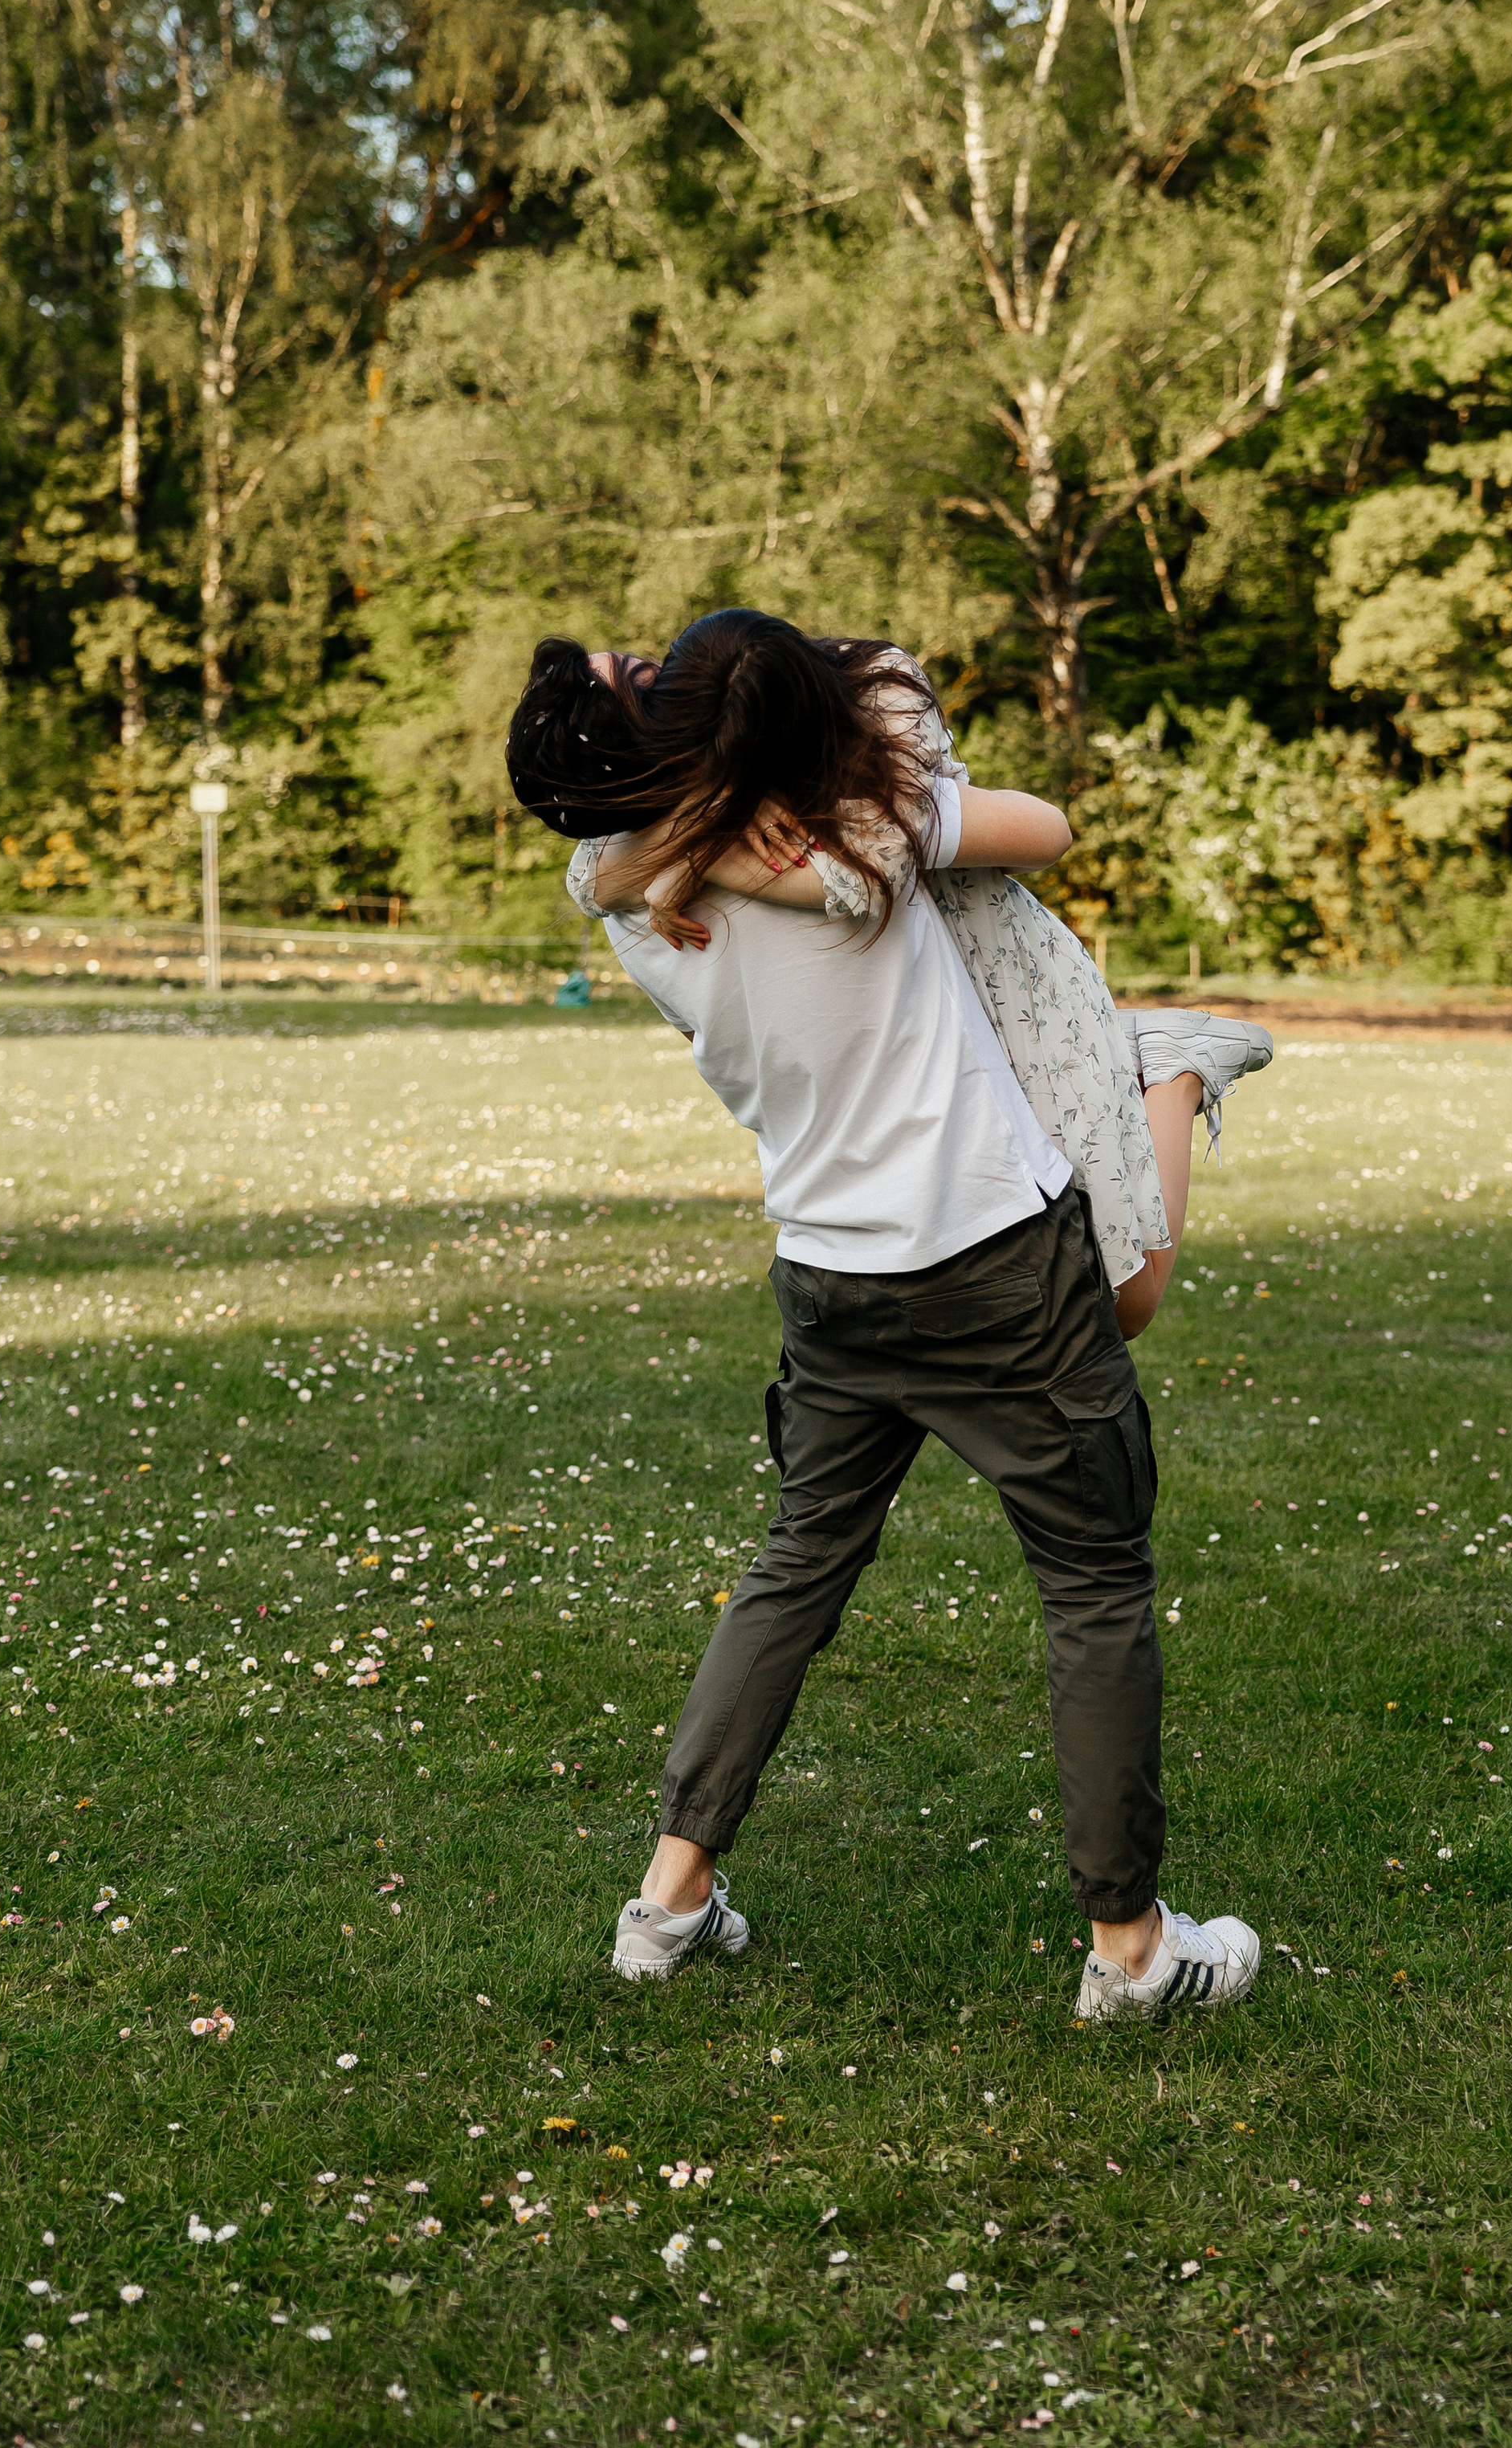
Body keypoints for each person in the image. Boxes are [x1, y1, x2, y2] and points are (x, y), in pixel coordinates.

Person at [506, 612, 1261, 2022]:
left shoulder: (627, 894)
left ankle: (666, 1908)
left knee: (797, 1571)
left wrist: (679, 840)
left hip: (830, 1273)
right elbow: (1033, 832)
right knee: (1095, 1585)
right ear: (651, 747)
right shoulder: (852, 835)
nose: (652, 662)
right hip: (990, 1257)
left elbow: (609, 852)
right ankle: (1135, 1952)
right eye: (641, 680)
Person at [512, 635, 1274, 1340]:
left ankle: (1171, 1069)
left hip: (1020, 992)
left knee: (1126, 1304)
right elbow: (593, 874)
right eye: (646, 682)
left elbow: (1008, 842)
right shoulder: (643, 853)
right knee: (1106, 1304)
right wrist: (701, 833)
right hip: (946, 1036)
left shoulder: (841, 779)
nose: (671, 677)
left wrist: (704, 848)